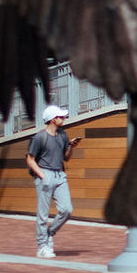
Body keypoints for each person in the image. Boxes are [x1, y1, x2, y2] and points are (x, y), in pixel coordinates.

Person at [28, 105, 83, 258]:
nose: (63, 118)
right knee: (43, 214)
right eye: (60, 116)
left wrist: (71, 146)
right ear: (53, 119)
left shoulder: (63, 135)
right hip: (45, 174)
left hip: (60, 175)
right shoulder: (40, 137)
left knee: (67, 209)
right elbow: (30, 159)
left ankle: (49, 233)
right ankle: (42, 246)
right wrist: (42, 175)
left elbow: (66, 157)